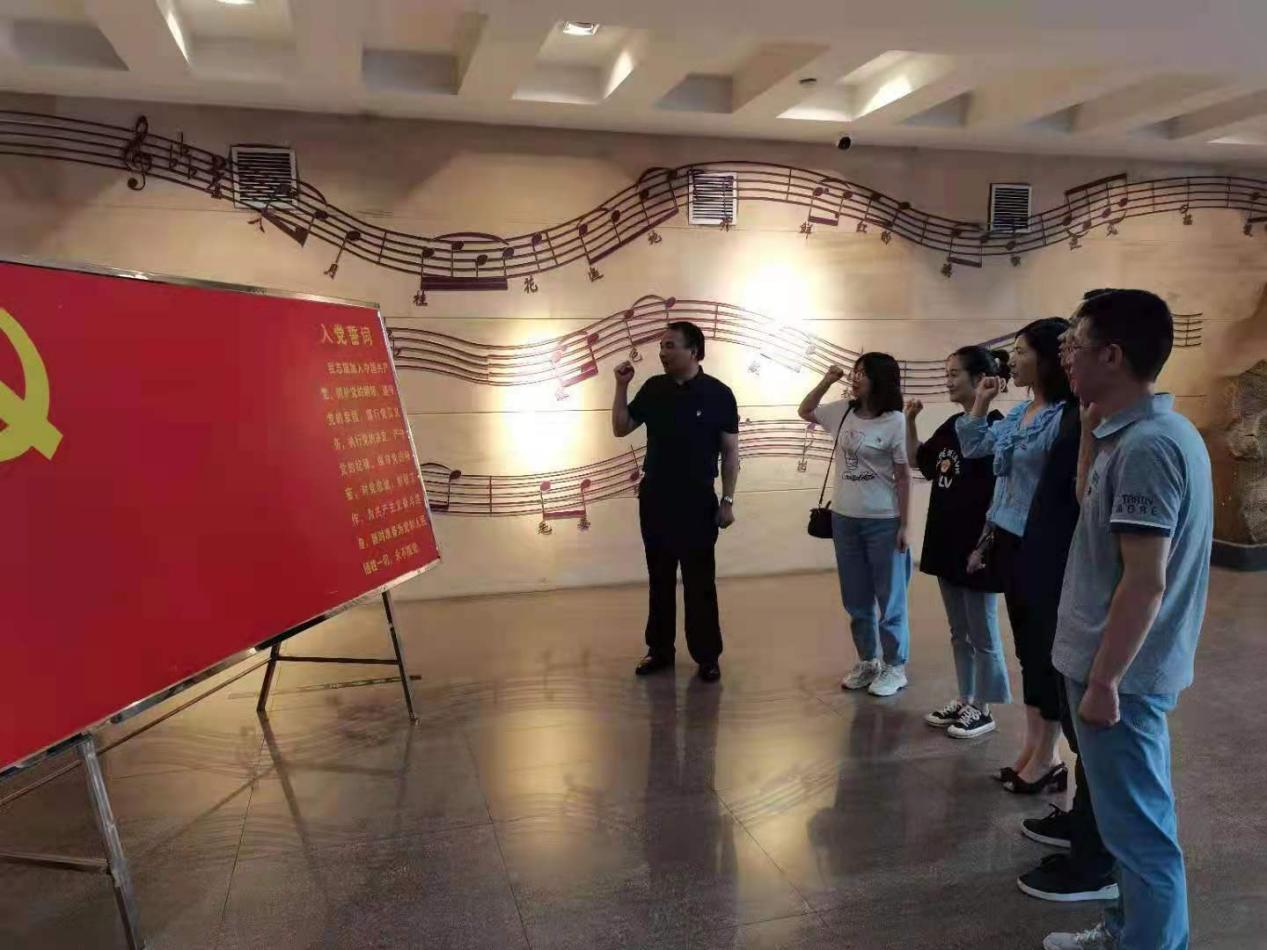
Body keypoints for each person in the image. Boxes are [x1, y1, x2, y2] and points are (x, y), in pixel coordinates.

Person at [1042, 289, 1211, 950]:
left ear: (1111, 355)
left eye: (1076, 345)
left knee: (1140, 834)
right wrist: (1089, 428)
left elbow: (1145, 581)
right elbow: (1094, 506)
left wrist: (1105, 680)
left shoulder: (1149, 446)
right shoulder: (1136, 434)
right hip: (1114, 670)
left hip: (1123, 678)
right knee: (1125, 824)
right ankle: (1127, 930)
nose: (1067, 357)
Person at [957, 318, 1081, 796]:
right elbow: (974, 446)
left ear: (1048, 358)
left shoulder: (1067, 417)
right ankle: (1034, 748)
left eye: (1021, 351)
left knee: (1045, 651)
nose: (1011, 360)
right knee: (1028, 651)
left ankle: (1049, 756)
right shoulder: (1021, 412)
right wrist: (981, 400)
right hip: (1008, 540)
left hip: (1043, 545)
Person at [612, 321, 740, 683]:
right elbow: (621, 427)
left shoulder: (719, 394)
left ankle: (707, 656)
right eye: (662, 346)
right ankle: (659, 650)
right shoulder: (654, 388)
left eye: (670, 346)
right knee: (660, 577)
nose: (662, 353)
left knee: (700, 580)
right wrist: (621, 386)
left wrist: (727, 500)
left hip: (697, 499)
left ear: (693, 351)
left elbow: (730, 452)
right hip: (656, 496)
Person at [905, 346, 1010, 740]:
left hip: (977, 547)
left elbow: (1001, 493)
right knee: (958, 631)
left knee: (982, 632)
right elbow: (919, 461)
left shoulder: (997, 428)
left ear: (979, 378)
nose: (947, 381)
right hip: (946, 541)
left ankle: (984, 707)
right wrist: (910, 421)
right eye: (946, 373)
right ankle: (966, 697)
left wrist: (983, 546)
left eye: (954, 374)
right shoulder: (952, 424)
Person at [798, 353, 912, 697]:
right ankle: (867, 661)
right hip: (844, 519)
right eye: (856, 371)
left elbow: (903, 476)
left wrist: (905, 525)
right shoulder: (843, 411)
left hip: (883, 520)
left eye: (863, 373)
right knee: (856, 598)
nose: (856, 377)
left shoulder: (895, 421)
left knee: (890, 599)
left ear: (881, 379)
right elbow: (806, 410)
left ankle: (895, 666)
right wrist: (827, 380)